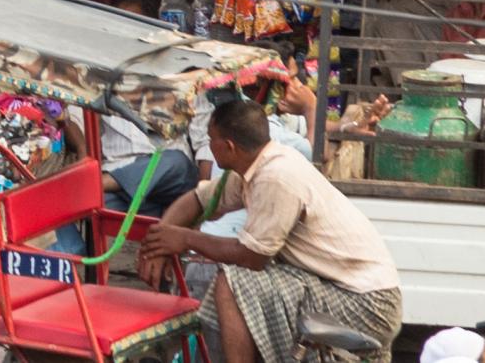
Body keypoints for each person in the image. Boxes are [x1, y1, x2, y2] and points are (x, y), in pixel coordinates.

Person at [138, 97, 403, 363]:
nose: (208, 146)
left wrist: (184, 238)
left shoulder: (276, 175)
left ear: (229, 147)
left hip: (366, 302)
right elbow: (198, 199)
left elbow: (252, 257)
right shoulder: (256, 165)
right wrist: (160, 241)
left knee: (232, 282)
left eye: (211, 140)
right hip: (341, 287)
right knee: (233, 285)